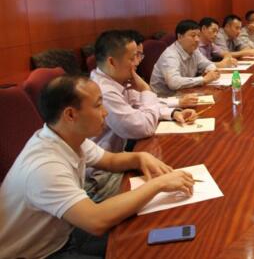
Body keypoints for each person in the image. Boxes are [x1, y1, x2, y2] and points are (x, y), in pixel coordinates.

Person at [0, 75, 195, 258]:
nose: (105, 112)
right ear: (70, 115)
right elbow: (96, 221)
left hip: (63, 233)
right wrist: (158, 184)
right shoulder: (45, 167)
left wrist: (140, 157)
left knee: (144, 235)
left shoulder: (68, 136)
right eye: (98, 105)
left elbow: (109, 161)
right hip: (39, 253)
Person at [88, 30, 197, 201]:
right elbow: (142, 127)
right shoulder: (104, 91)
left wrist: (173, 112)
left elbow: (143, 104)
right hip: (101, 177)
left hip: (120, 159)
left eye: (139, 56)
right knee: (170, 185)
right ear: (112, 62)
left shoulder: (115, 80)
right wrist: (146, 89)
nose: (138, 62)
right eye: (133, 58)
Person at [150, 19, 220, 96]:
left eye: (198, 36)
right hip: (164, 99)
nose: (197, 40)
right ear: (180, 37)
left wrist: (210, 71)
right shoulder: (170, 55)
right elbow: (174, 83)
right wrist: (203, 79)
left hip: (185, 93)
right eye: (193, 36)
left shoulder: (194, 50)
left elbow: (208, 64)